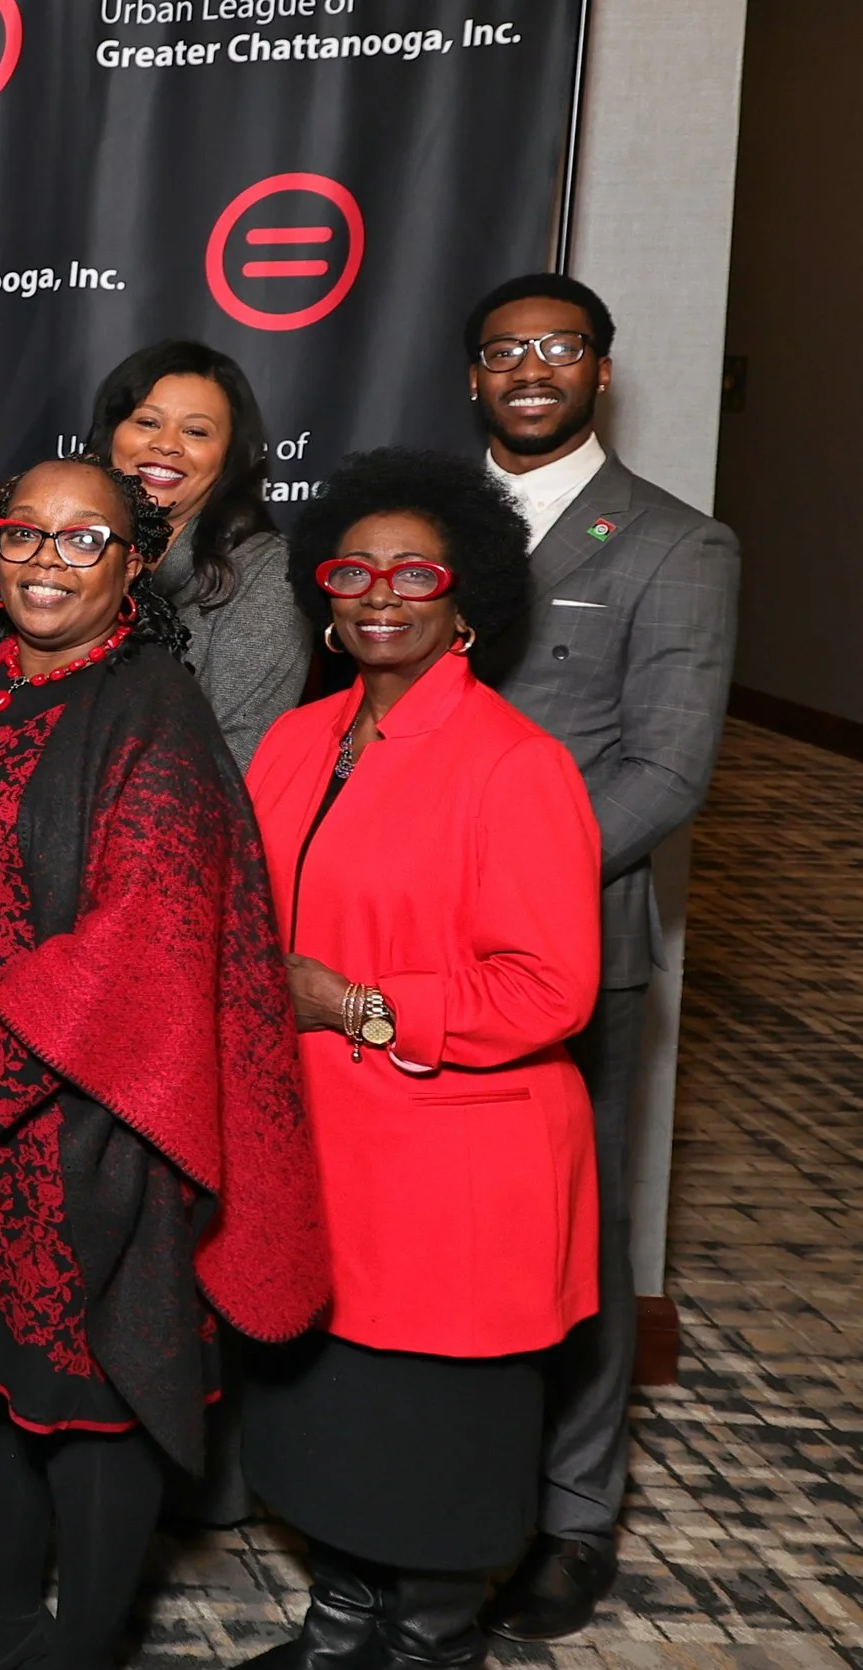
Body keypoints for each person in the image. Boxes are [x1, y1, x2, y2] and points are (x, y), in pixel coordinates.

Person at [0, 457, 329, 1670]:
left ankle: (84, 1642)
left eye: (80, 539)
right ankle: (4, 1618)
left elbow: (145, 926)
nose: (46, 561)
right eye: (22, 535)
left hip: (74, 1126)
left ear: (132, 563)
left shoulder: (153, 706)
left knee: (91, 1389)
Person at [242, 449, 603, 1670]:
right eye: (352, 569)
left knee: (435, 1436)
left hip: (455, 1169)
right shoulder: (293, 741)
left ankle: (429, 1642)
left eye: (414, 570)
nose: (379, 590)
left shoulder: (515, 763)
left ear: (464, 598)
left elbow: (550, 987)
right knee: (328, 1418)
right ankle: (339, 1628)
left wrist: (352, 1002)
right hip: (317, 1151)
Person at [459, 274, 741, 1643]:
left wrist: (495, 886)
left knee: (576, 1235)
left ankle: (574, 1518)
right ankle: (444, 1490)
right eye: (505, 350)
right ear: (473, 378)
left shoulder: (677, 546)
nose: (531, 368)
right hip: (388, 953)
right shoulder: (423, 530)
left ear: (601, 373)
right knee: (431, 1230)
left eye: (558, 347)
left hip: (570, 942)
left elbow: (665, 769)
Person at [90, 339, 306, 765]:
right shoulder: (61, 552)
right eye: (148, 422)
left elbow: (239, 758)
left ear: (228, 459)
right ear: (111, 434)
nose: (166, 445)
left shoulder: (264, 572)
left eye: (195, 431)